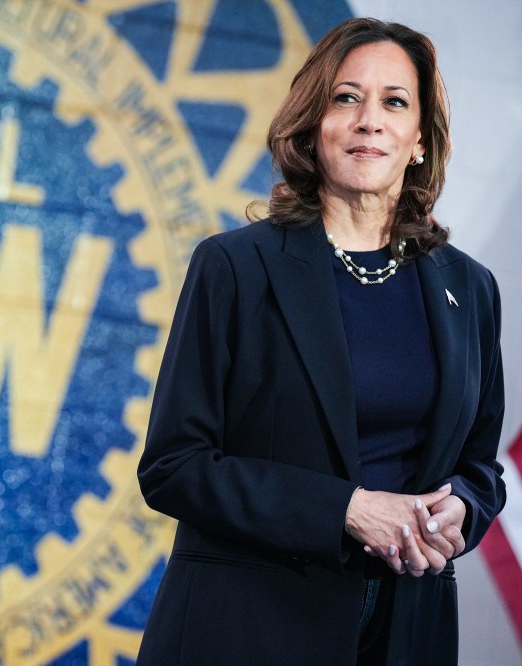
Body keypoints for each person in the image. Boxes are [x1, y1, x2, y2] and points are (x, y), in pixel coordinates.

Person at [136, 17, 505, 665]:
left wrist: (462, 512)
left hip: (406, 629)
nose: (370, 119)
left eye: (395, 102)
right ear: (314, 123)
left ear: (420, 138)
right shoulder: (236, 267)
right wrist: (348, 509)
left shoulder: (469, 288)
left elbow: (479, 467)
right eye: (346, 97)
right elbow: (175, 466)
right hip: (250, 625)